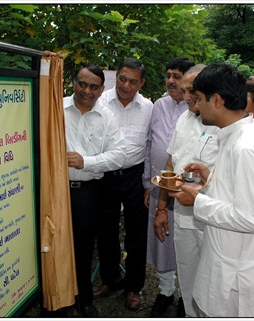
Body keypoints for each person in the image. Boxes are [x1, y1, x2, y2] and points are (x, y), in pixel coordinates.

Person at [170, 62, 254, 317]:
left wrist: (197, 201)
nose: (195, 105)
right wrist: (212, 179)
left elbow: (252, 218)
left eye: (198, 98)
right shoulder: (240, 134)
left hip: (236, 277)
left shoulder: (247, 145)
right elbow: (238, 192)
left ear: (216, 100)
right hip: (228, 261)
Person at [153, 64, 219, 317]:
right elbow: (170, 165)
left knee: (212, 283)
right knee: (188, 275)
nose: (186, 96)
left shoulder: (222, 123)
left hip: (212, 218)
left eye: (192, 90)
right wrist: (161, 209)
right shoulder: (183, 118)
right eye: (184, 91)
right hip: (182, 215)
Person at [64, 63, 126, 317]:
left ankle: (83, 300)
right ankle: (56, 300)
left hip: (87, 193)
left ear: (102, 90)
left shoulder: (107, 116)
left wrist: (86, 162)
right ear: (74, 83)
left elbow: (119, 155)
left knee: (82, 248)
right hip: (54, 191)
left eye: (93, 87)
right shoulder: (56, 108)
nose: (86, 91)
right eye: (82, 84)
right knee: (53, 246)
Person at [93, 58, 153, 311]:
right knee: (105, 230)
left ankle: (133, 287)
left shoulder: (149, 107)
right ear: (115, 76)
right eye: (122, 79)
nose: (126, 86)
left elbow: (151, 144)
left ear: (142, 83)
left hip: (135, 176)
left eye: (133, 81)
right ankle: (111, 279)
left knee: (136, 233)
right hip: (105, 175)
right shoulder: (100, 101)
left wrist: (149, 181)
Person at [143, 57, 195, 316]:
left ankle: (187, 295)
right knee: (162, 239)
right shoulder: (158, 105)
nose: (171, 81)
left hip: (188, 190)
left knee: (186, 241)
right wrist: (145, 183)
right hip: (158, 186)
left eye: (177, 76)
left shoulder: (196, 107)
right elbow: (150, 145)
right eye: (169, 75)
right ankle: (165, 291)